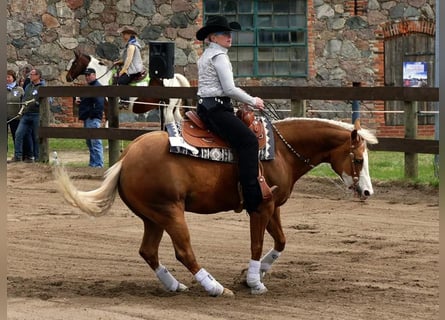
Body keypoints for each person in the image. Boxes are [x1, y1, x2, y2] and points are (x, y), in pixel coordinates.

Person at [195, 15, 276, 214]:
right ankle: (252, 198)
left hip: (208, 107)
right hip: (216, 109)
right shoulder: (219, 56)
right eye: (224, 33)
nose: (229, 37)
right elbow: (229, 88)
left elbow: (220, 89)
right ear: (213, 37)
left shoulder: (206, 55)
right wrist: (253, 101)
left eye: (230, 33)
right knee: (249, 141)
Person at [10, 68, 45, 163]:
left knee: (36, 136)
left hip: (36, 114)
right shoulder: (28, 86)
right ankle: (18, 156)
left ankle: (37, 158)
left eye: (32, 74)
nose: (30, 76)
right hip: (26, 114)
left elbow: (47, 100)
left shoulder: (43, 87)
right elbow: (25, 97)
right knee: (18, 134)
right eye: (30, 74)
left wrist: (37, 103)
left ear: (38, 76)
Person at [76, 68, 104, 168]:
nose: (87, 77)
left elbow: (100, 104)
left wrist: (91, 114)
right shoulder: (90, 87)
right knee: (90, 143)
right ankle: (93, 164)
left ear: (94, 75)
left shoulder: (97, 87)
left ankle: (99, 165)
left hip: (93, 118)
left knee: (95, 142)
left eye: (89, 75)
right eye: (86, 75)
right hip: (88, 118)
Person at [113, 25, 144, 105]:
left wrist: (123, 70)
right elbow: (125, 59)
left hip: (134, 70)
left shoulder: (131, 45)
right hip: (133, 67)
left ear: (129, 35)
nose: (123, 36)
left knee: (121, 81)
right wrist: (118, 62)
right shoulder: (131, 44)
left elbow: (128, 59)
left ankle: (125, 102)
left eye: (124, 34)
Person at [6, 70, 24, 155]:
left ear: (13, 78)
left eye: (9, 77)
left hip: (15, 117)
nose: (7, 79)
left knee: (16, 136)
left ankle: (18, 154)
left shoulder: (19, 89)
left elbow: (23, 102)